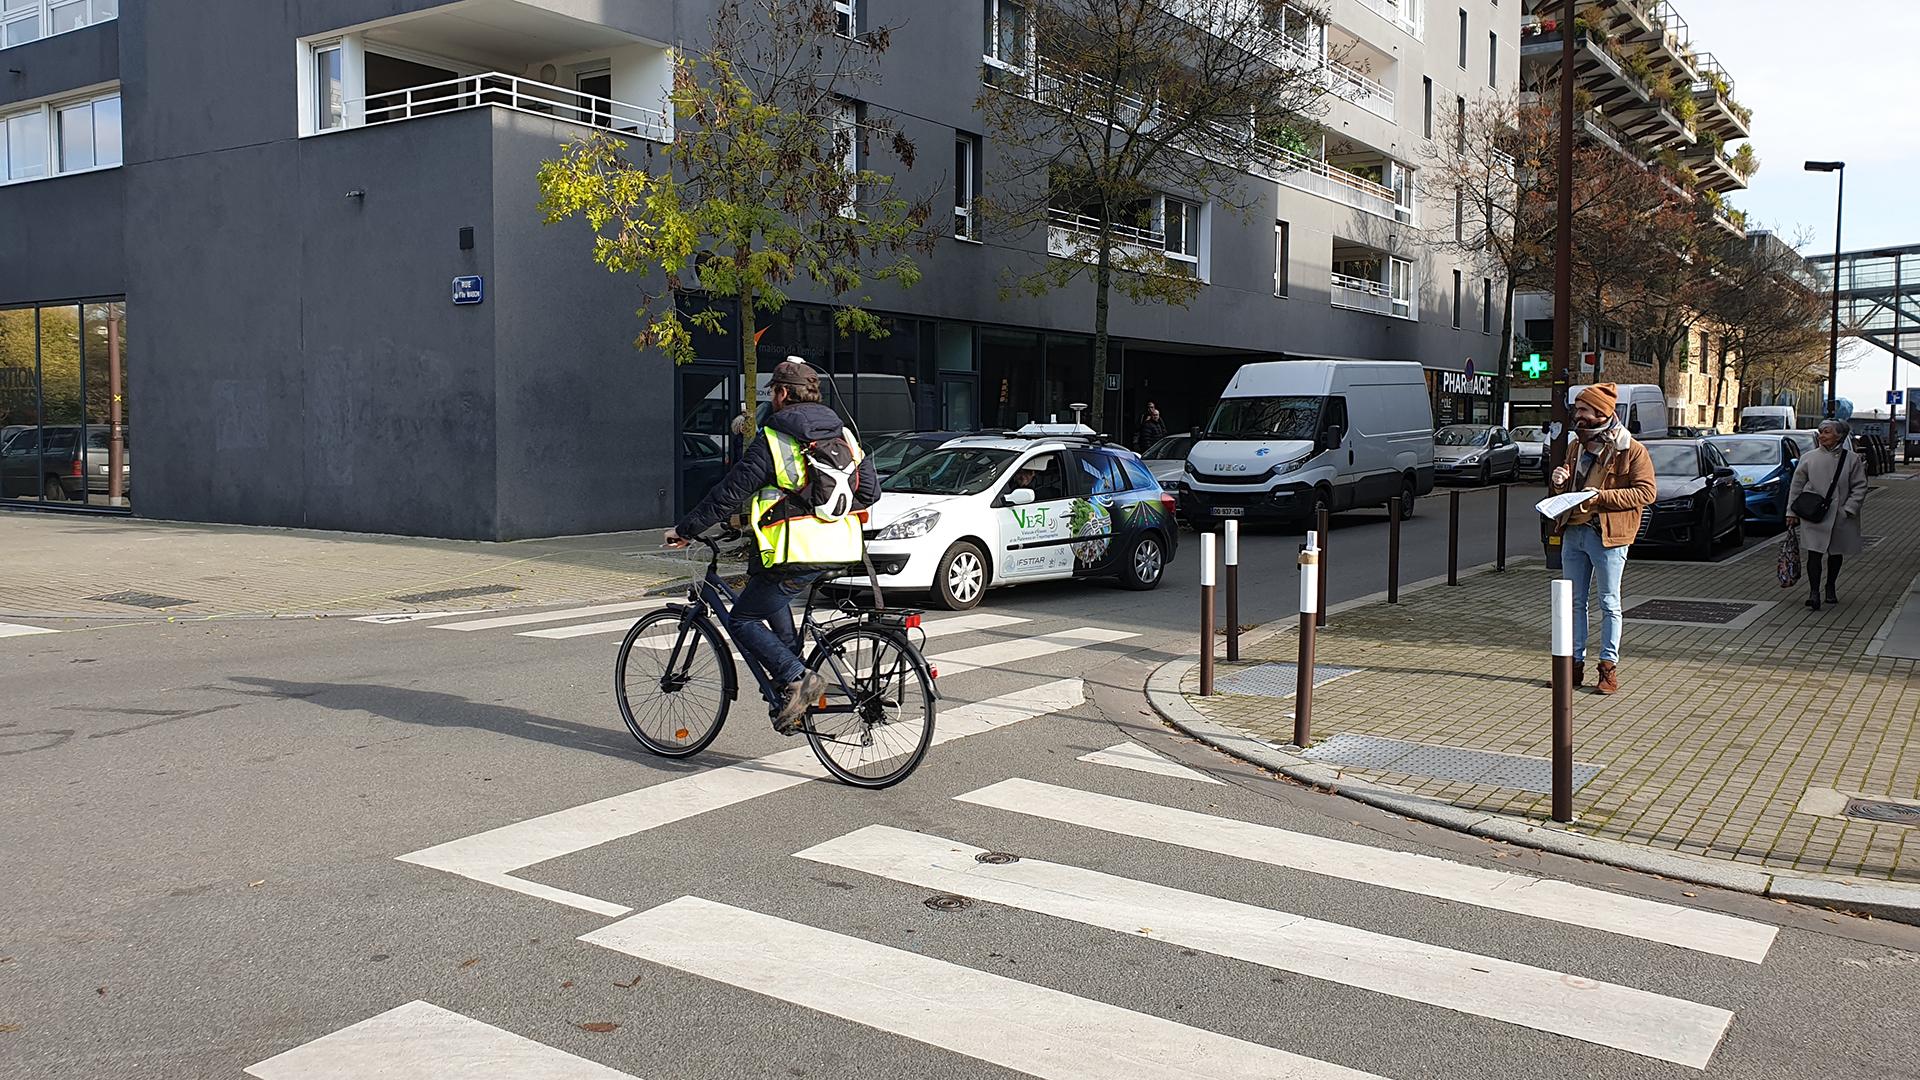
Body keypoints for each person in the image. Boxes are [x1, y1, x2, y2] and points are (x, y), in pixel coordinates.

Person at [664, 361, 881, 732]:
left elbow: (729, 492)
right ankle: (789, 701)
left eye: (774, 393)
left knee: (742, 619)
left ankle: (799, 679)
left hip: (794, 551)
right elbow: (871, 493)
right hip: (838, 548)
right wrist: (822, 510)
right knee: (771, 605)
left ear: (781, 393)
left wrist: (687, 529)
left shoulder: (775, 439)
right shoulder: (844, 435)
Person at [1548, 383, 1658, 695]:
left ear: (1601, 412)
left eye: (1583, 410)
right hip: (1574, 532)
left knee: (1609, 603)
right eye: (1577, 409)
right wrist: (1559, 482)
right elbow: (1567, 488)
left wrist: (1601, 497)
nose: (1577, 415)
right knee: (1574, 602)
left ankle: (1608, 668)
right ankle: (1573, 667)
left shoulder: (1630, 449)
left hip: (1608, 536)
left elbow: (1647, 493)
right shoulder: (1576, 446)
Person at [1786, 418, 1868, 611]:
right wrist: (1791, 512)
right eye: (1821, 432)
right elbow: (1796, 486)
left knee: (1835, 553)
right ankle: (1814, 592)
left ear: (1839, 436)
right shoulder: (1809, 458)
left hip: (1840, 515)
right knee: (1814, 554)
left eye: (1827, 432)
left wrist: (1849, 508)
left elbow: (1860, 486)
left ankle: (1830, 586)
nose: (1822, 436)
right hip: (1813, 514)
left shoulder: (1852, 459)